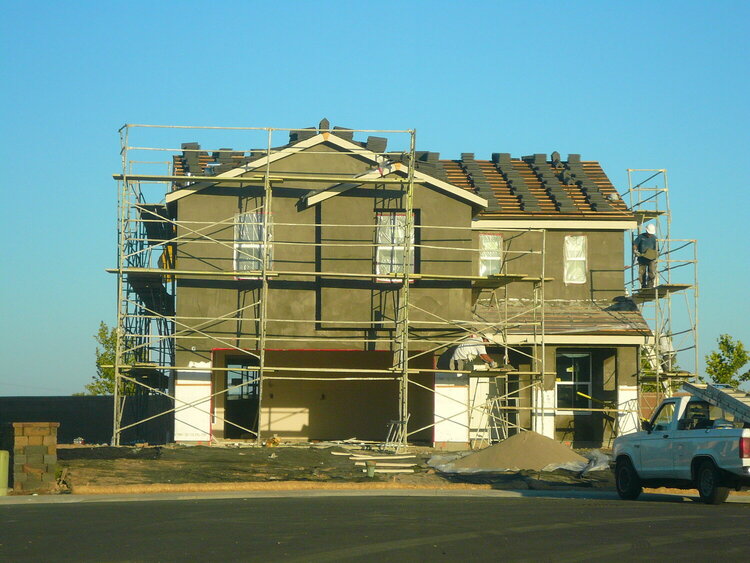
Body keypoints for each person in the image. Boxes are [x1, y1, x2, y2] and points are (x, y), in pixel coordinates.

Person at [633, 224, 658, 288]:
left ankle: (650, 285)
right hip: (642, 258)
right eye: (649, 233)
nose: (650, 235)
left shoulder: (654, 238)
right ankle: (643, 285)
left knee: (651, 272)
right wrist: (635, 250)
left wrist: (656, 255)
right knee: (642, 273)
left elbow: (657, 249)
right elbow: (635, 244)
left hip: (651, 258)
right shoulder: (641, 237)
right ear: (646, 231)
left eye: (651, 234)